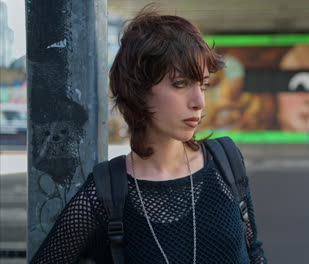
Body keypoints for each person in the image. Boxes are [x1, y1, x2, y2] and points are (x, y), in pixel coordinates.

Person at [31, 5, 267, 264]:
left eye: (203, 84)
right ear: (138, 90)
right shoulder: (106, 193)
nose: (199, 101)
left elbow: (254, 251)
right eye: (180, 84)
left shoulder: (226, 161)